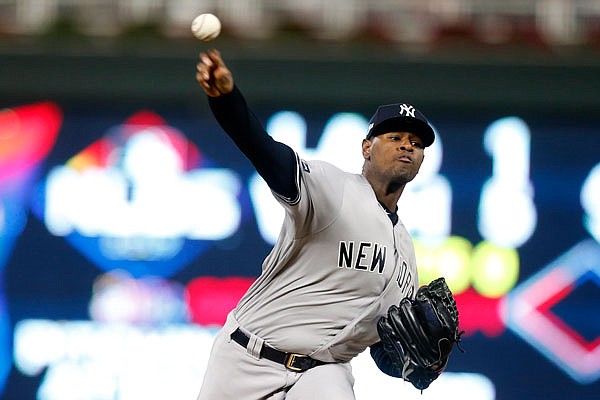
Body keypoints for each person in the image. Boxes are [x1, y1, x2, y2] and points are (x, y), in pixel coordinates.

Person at [195, 49, 436, 400]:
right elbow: (263, 151)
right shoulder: (332, 188)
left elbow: (384, 345)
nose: (407, 146)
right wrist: (227, 101)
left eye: (416, 143)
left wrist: (421, 362)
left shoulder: (406, 256)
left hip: (323, 374)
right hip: (247, 359)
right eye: (395, 137)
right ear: (367, 147)